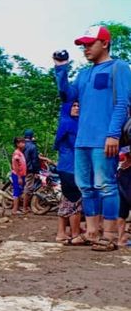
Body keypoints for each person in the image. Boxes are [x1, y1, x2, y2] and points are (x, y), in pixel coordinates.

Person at [54, 25, 131, 251]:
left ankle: (108, 236)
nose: (85, 48)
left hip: (104, 139)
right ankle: (92, 232)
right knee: (86, 187)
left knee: (106, 185)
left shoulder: (119, 68)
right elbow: (67, 95)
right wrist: (60, 70)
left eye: (90, 44)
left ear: (104, 43)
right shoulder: (84, 73)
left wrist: (113, 134)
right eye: (83, 45)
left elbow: (122, 104)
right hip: (82, 140)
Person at [54, 101, 82, 242]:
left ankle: (61, 233)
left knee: (66, 200)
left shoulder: (65, 122)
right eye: (74, 106)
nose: (77, 108)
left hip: (65, 166)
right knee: (75, 200)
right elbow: (77, 144)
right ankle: (75, 234)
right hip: (71, 167)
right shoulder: (70, 124)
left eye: (78, 106)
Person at [23, 129, 41, 213]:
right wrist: (36, 172)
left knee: (23, 186)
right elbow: (34, 160)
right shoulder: (32, 146)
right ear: (31, 136)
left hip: (20, 170)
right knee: (28, 188)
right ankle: (25, 207)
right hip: (29, 170)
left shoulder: (21, 145)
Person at [117, 147, 131, 247]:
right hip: (125, 176)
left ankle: (121, 238)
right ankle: (121, 238)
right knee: (122, 211)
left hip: (123, 175)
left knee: (122, 212)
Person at [11, 137, 26, 216]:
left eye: (24, 142)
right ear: (17, 144)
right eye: (21, 142)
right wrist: (19, 177)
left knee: (20, 191)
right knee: (17, 191)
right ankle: (14, 210)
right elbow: (16, 166)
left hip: (22, 175)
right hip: (17, 175)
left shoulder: (21, 153)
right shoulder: (17, 153)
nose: (23, 144)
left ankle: (17, 208)